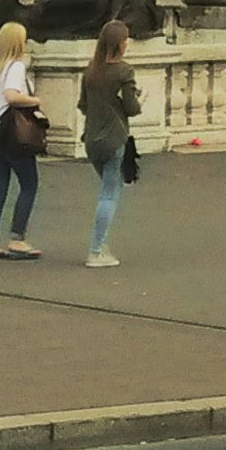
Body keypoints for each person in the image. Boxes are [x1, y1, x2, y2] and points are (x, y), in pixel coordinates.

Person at [0, 20, 50, 257]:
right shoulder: (16, 66)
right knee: (29, 184)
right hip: (12, 134)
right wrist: (35, 100)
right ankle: (17, 238)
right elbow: (11, 97)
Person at [79, 17, 142, 267]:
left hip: (92, 138)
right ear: (120, 44)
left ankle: (101, 242)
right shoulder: (124, 71)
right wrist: (138, 98)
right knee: (109, 195)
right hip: (114, 137)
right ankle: (96, 250)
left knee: (109, 189)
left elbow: (83, 105)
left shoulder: (90, 70)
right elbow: (132, 108)